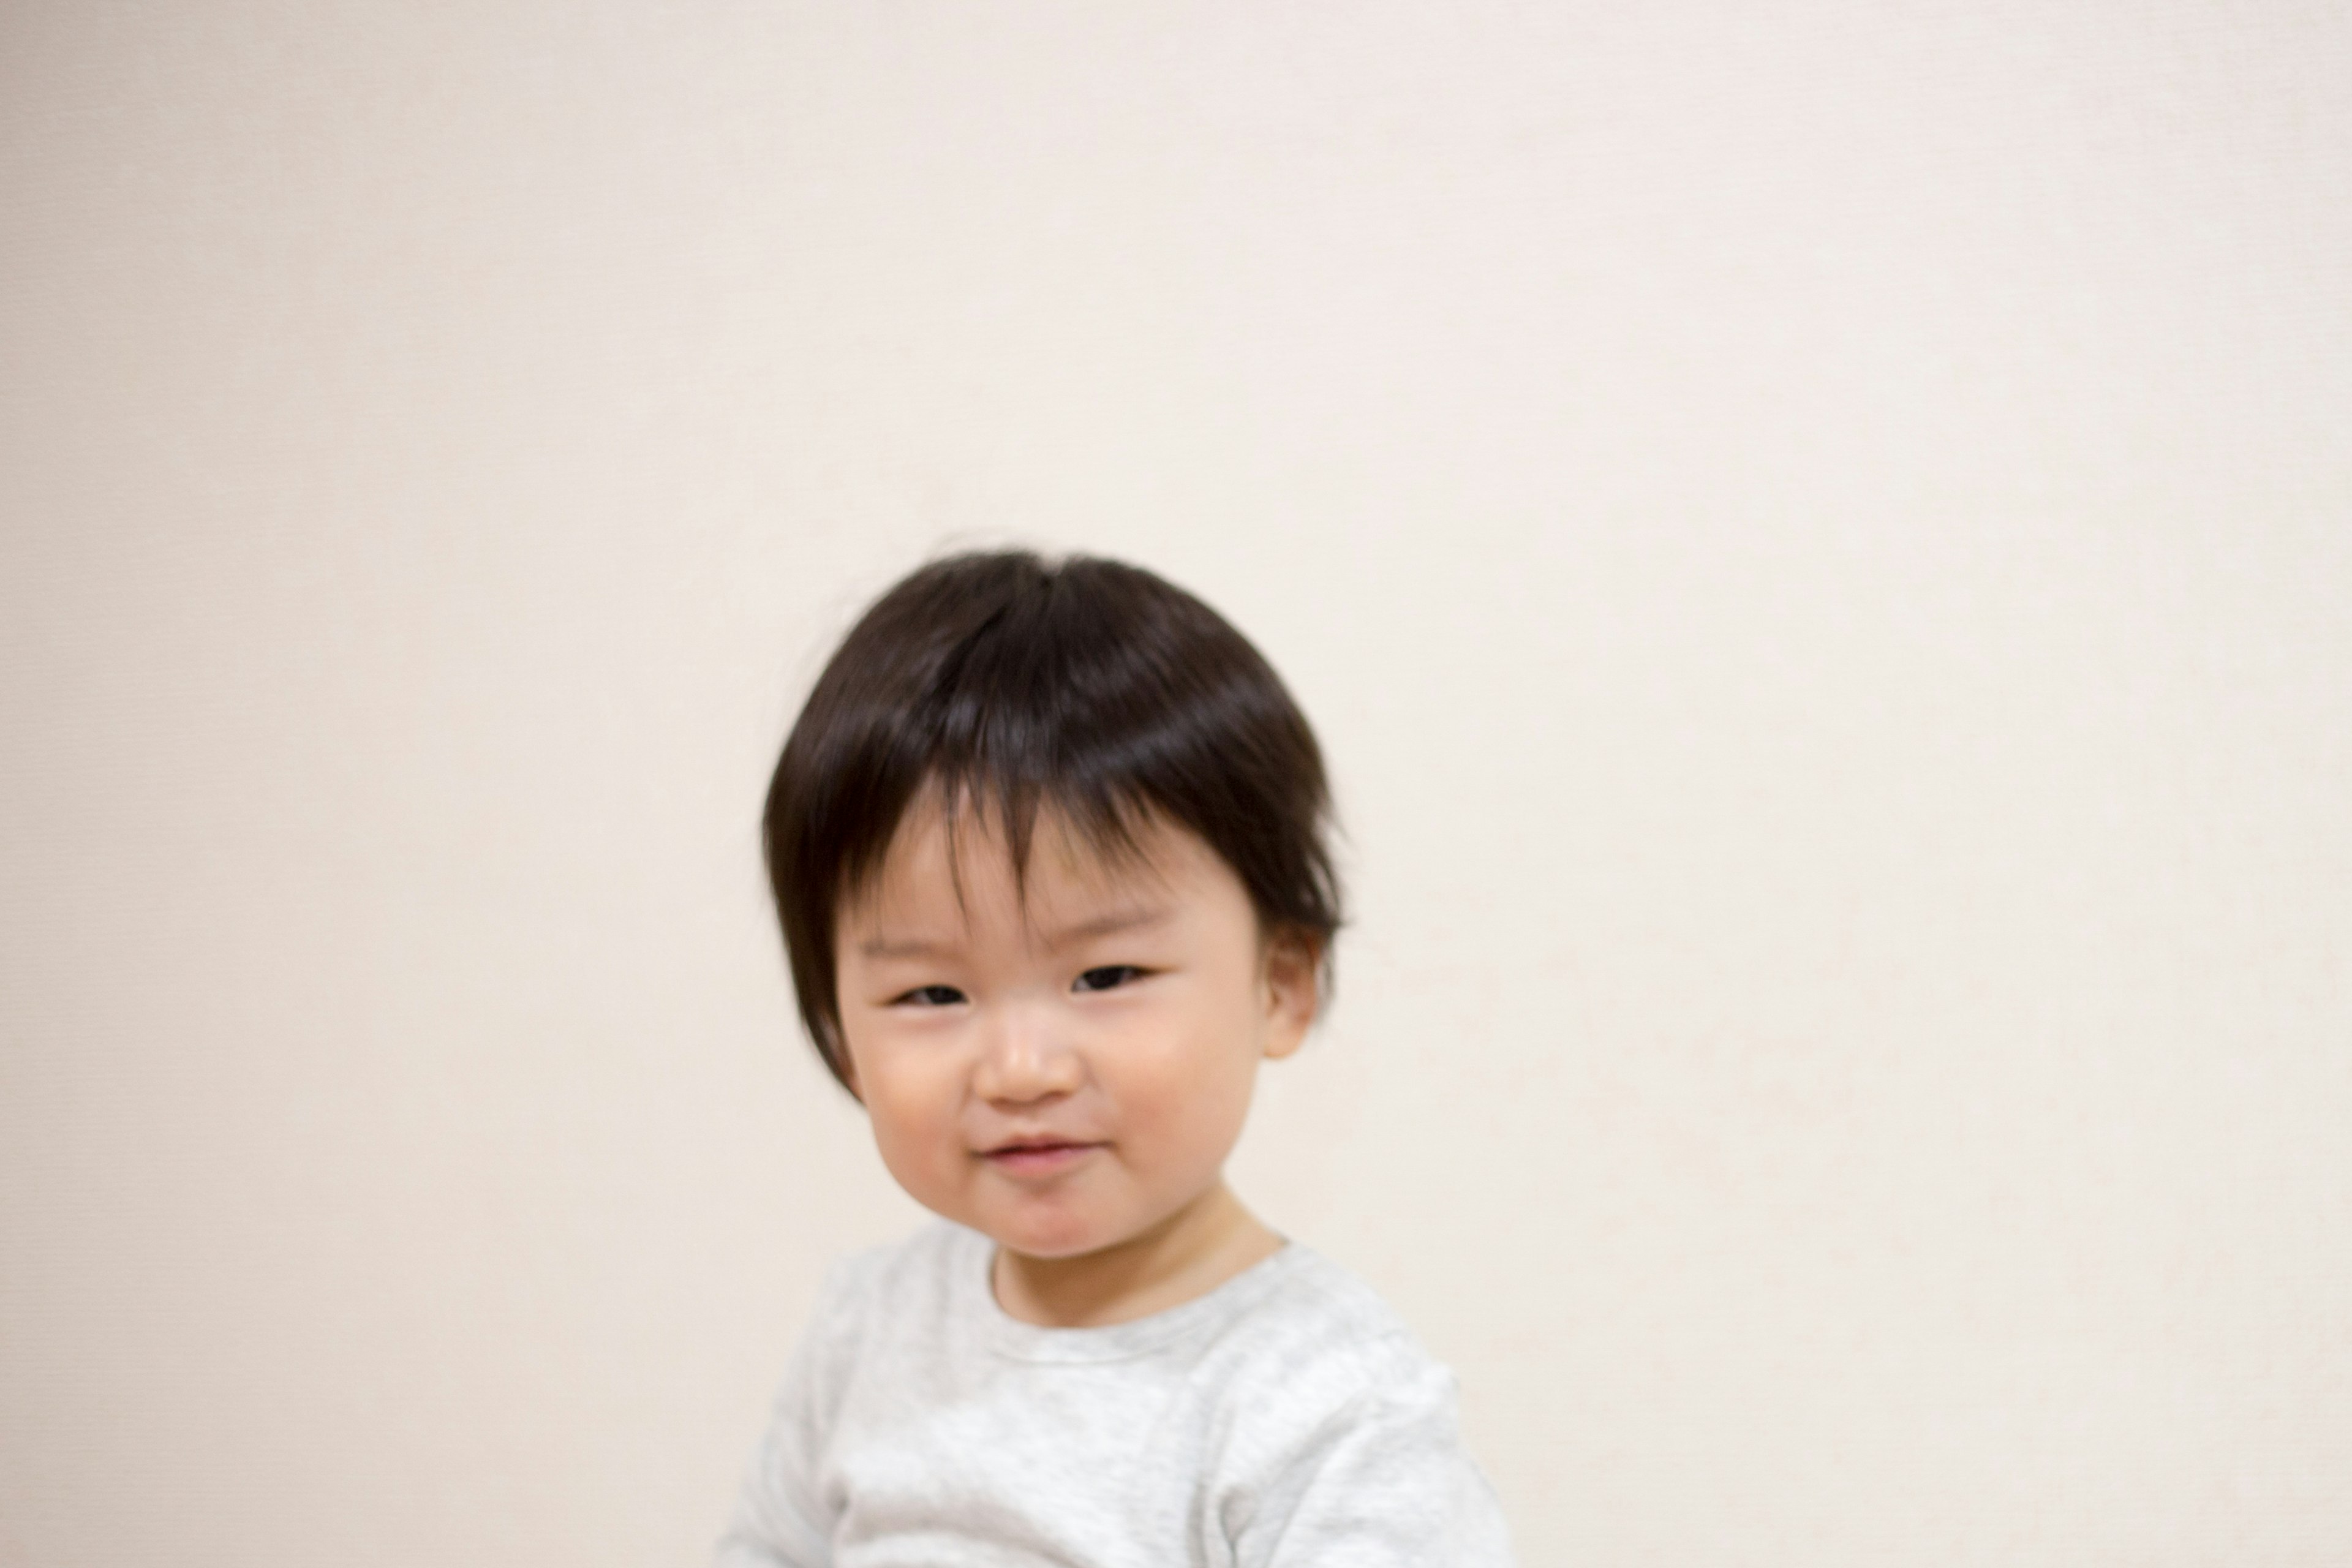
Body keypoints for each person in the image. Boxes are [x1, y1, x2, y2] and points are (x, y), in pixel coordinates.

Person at [718, 550, 1515, 1566]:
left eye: (1106, 977)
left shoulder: (1331, 1410)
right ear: (838, 1034)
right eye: (932, 994)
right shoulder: (870, 1329)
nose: (1020, 1069)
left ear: (1279, 983)